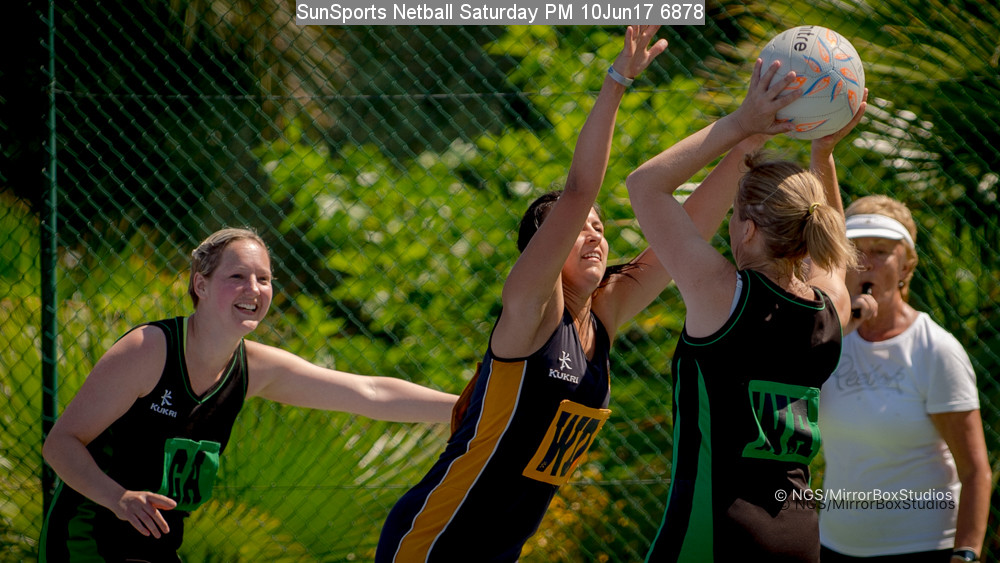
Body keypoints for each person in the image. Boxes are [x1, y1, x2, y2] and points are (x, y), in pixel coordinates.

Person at [375, 26, 751, 562]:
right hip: (436, 540)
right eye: (580, 228)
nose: (594, 234)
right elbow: (579, 190)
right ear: (545, 248)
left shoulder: (601, 318)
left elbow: (683, 233)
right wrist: (617, 81)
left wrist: (751, 140)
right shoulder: (531, 311)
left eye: (600, 227)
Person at [39, 227, 458, 562]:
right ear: (201, 285)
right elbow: (60, 443)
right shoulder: (149, 350)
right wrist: (118, 498)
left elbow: (370, 393)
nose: (254, 289)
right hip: (88, 531)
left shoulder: (254, 368)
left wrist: (472, 407)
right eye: (237, 277)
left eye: (264, 279)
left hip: (156, 540)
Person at [627, 58, 867, 561]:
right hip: (799, 539)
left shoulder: (723, 297)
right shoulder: (830, 310)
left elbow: (644, 184)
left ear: (750, 229)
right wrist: (822, 153)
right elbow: (832, 257)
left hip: (716, 537)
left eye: (735, 215)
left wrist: (745, 124)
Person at [818, 195, 992, 563]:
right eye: (854, 250)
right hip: (834, 545)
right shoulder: (827, 341)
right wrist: (840, 329)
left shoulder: (935, 349)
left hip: (922, 546)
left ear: (906, 266)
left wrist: (966, 553)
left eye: (880, 251)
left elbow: (975, 470)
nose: (865, 262)